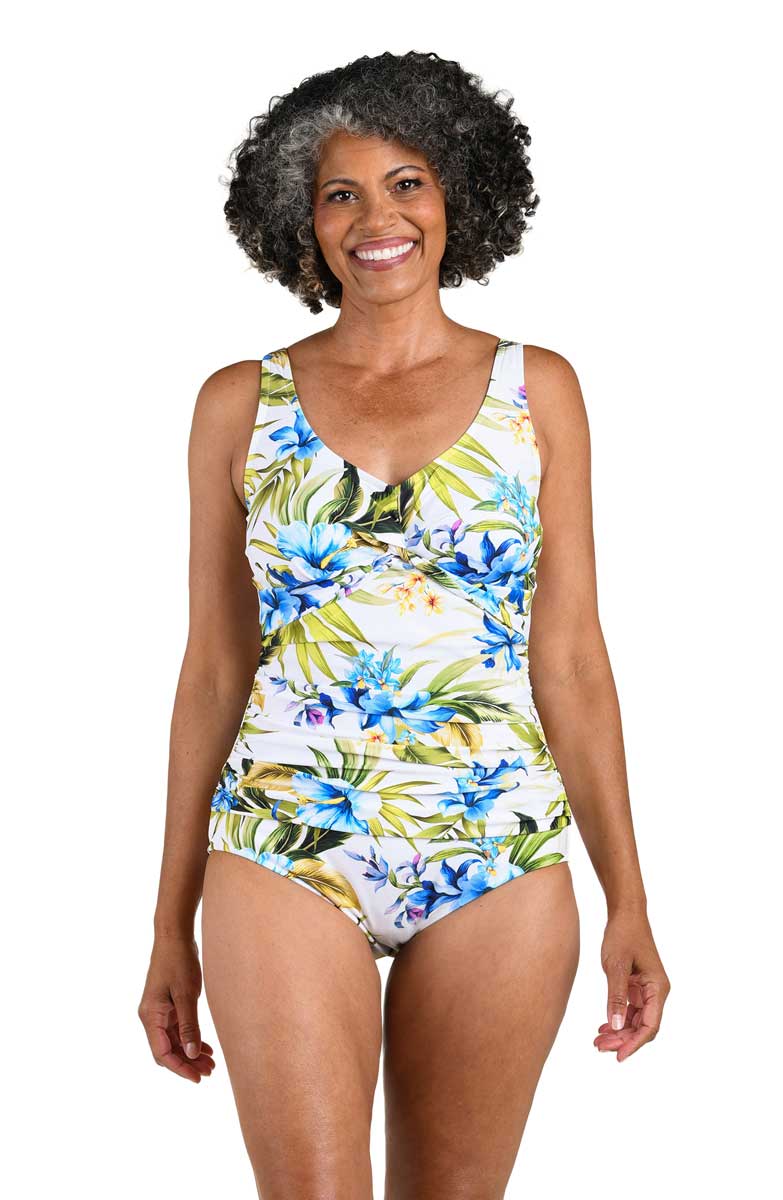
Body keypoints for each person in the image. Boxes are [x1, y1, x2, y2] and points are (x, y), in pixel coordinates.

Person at [138, 50, 671, 1198]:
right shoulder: (238, 403)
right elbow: (215, 668)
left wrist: (629, 898)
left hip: (498, 851)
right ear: (303, 217)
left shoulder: (539, 391)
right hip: (284, 842)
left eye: (407, 183)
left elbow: (573, 659)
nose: (377, 219)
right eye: (341, 193)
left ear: (457, 193)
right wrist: (168, 923)